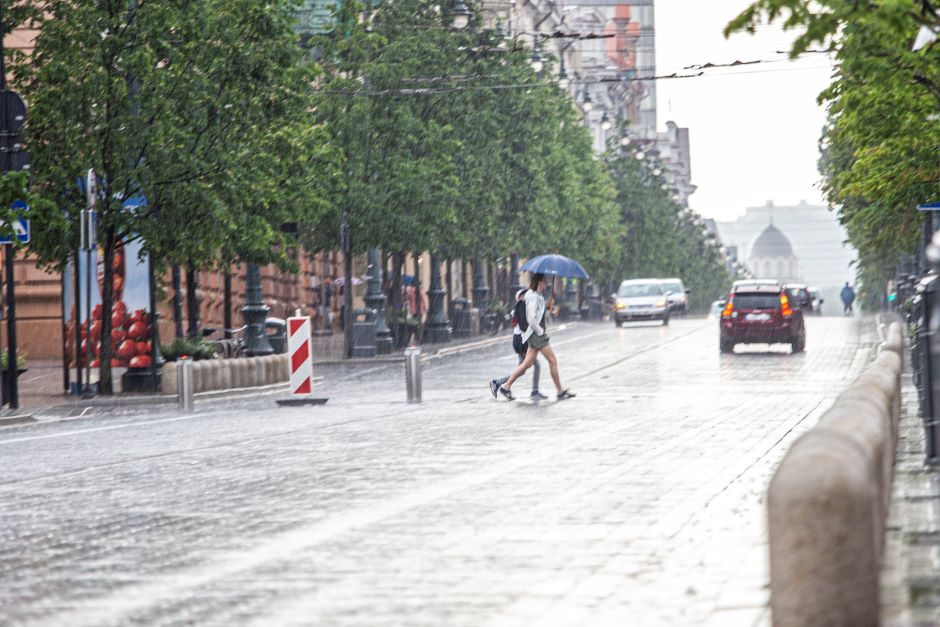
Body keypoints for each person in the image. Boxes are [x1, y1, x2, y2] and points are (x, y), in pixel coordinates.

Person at [492, 273, 575, 401]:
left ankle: (506, 386)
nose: (547, 284)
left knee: (526, 364)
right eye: (545, 282)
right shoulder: (533, 297)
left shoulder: (536, 296)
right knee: (552, 361)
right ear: (539, 282)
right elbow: (531, 318)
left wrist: (549, 306)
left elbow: (539, 312)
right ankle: (560, 392)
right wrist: (540, 331)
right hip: (536, 334)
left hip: (533, 334)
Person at [489, 289, 546, 400]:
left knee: (522, 368)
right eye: (524, 295)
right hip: (522, 340)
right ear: (519, 297)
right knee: (532, 366)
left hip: (520, 340)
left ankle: (499, 383)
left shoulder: (522, 308)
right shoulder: (521, 308)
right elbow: (527, 325)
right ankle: (533, 391)